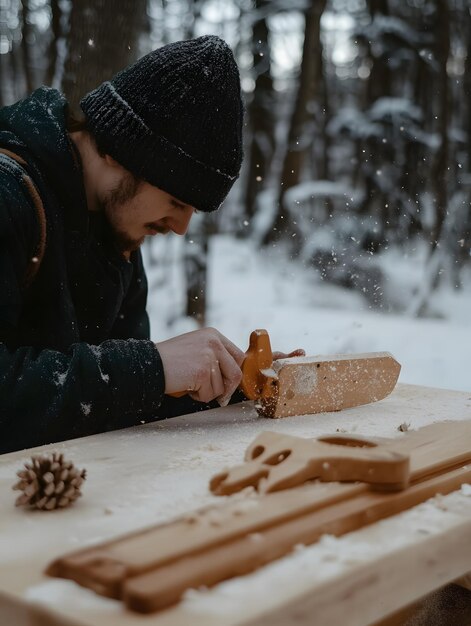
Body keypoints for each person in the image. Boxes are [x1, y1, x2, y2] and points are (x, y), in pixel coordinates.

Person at [0, 35, 301, 454]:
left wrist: (231, 383)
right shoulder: (9, 198)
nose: (180, 227)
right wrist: (151, 368)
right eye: (175, 200)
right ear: (116, 149)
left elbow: (110, 406)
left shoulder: (117, 233)